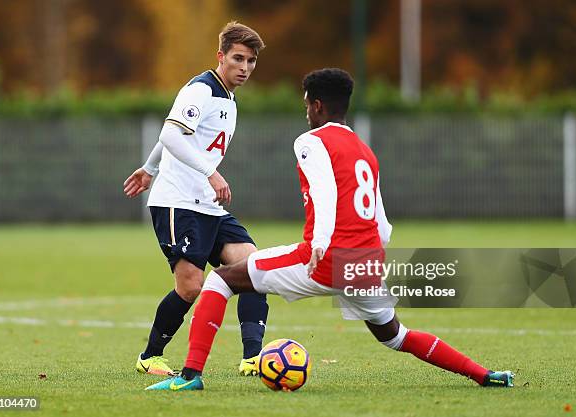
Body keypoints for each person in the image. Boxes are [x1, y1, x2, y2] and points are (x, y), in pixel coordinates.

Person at [145, 68, 514, 391]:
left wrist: (320, 242)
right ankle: (485, 374)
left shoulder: (309, 141)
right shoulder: (363, 149)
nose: (306, 111)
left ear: (318, 105)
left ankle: (190, 375)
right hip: (366, 263)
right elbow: (382, 224)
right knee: (396, 336)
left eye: (307, 104)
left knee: (221, 280)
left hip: (325, 257)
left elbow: (324, 193)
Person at [123, 21, 269, 377]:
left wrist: (148, 167)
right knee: (190, 288)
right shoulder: (201, 89)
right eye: (238, 58)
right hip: (177, 202)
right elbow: (171, 134)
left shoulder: (228, 99)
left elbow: (175, 136)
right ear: (220, 56)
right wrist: (209, 171)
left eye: (251, 61)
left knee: (253, 269)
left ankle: (254, 358)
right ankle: (150, 356)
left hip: (206, 203)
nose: (245, 68)